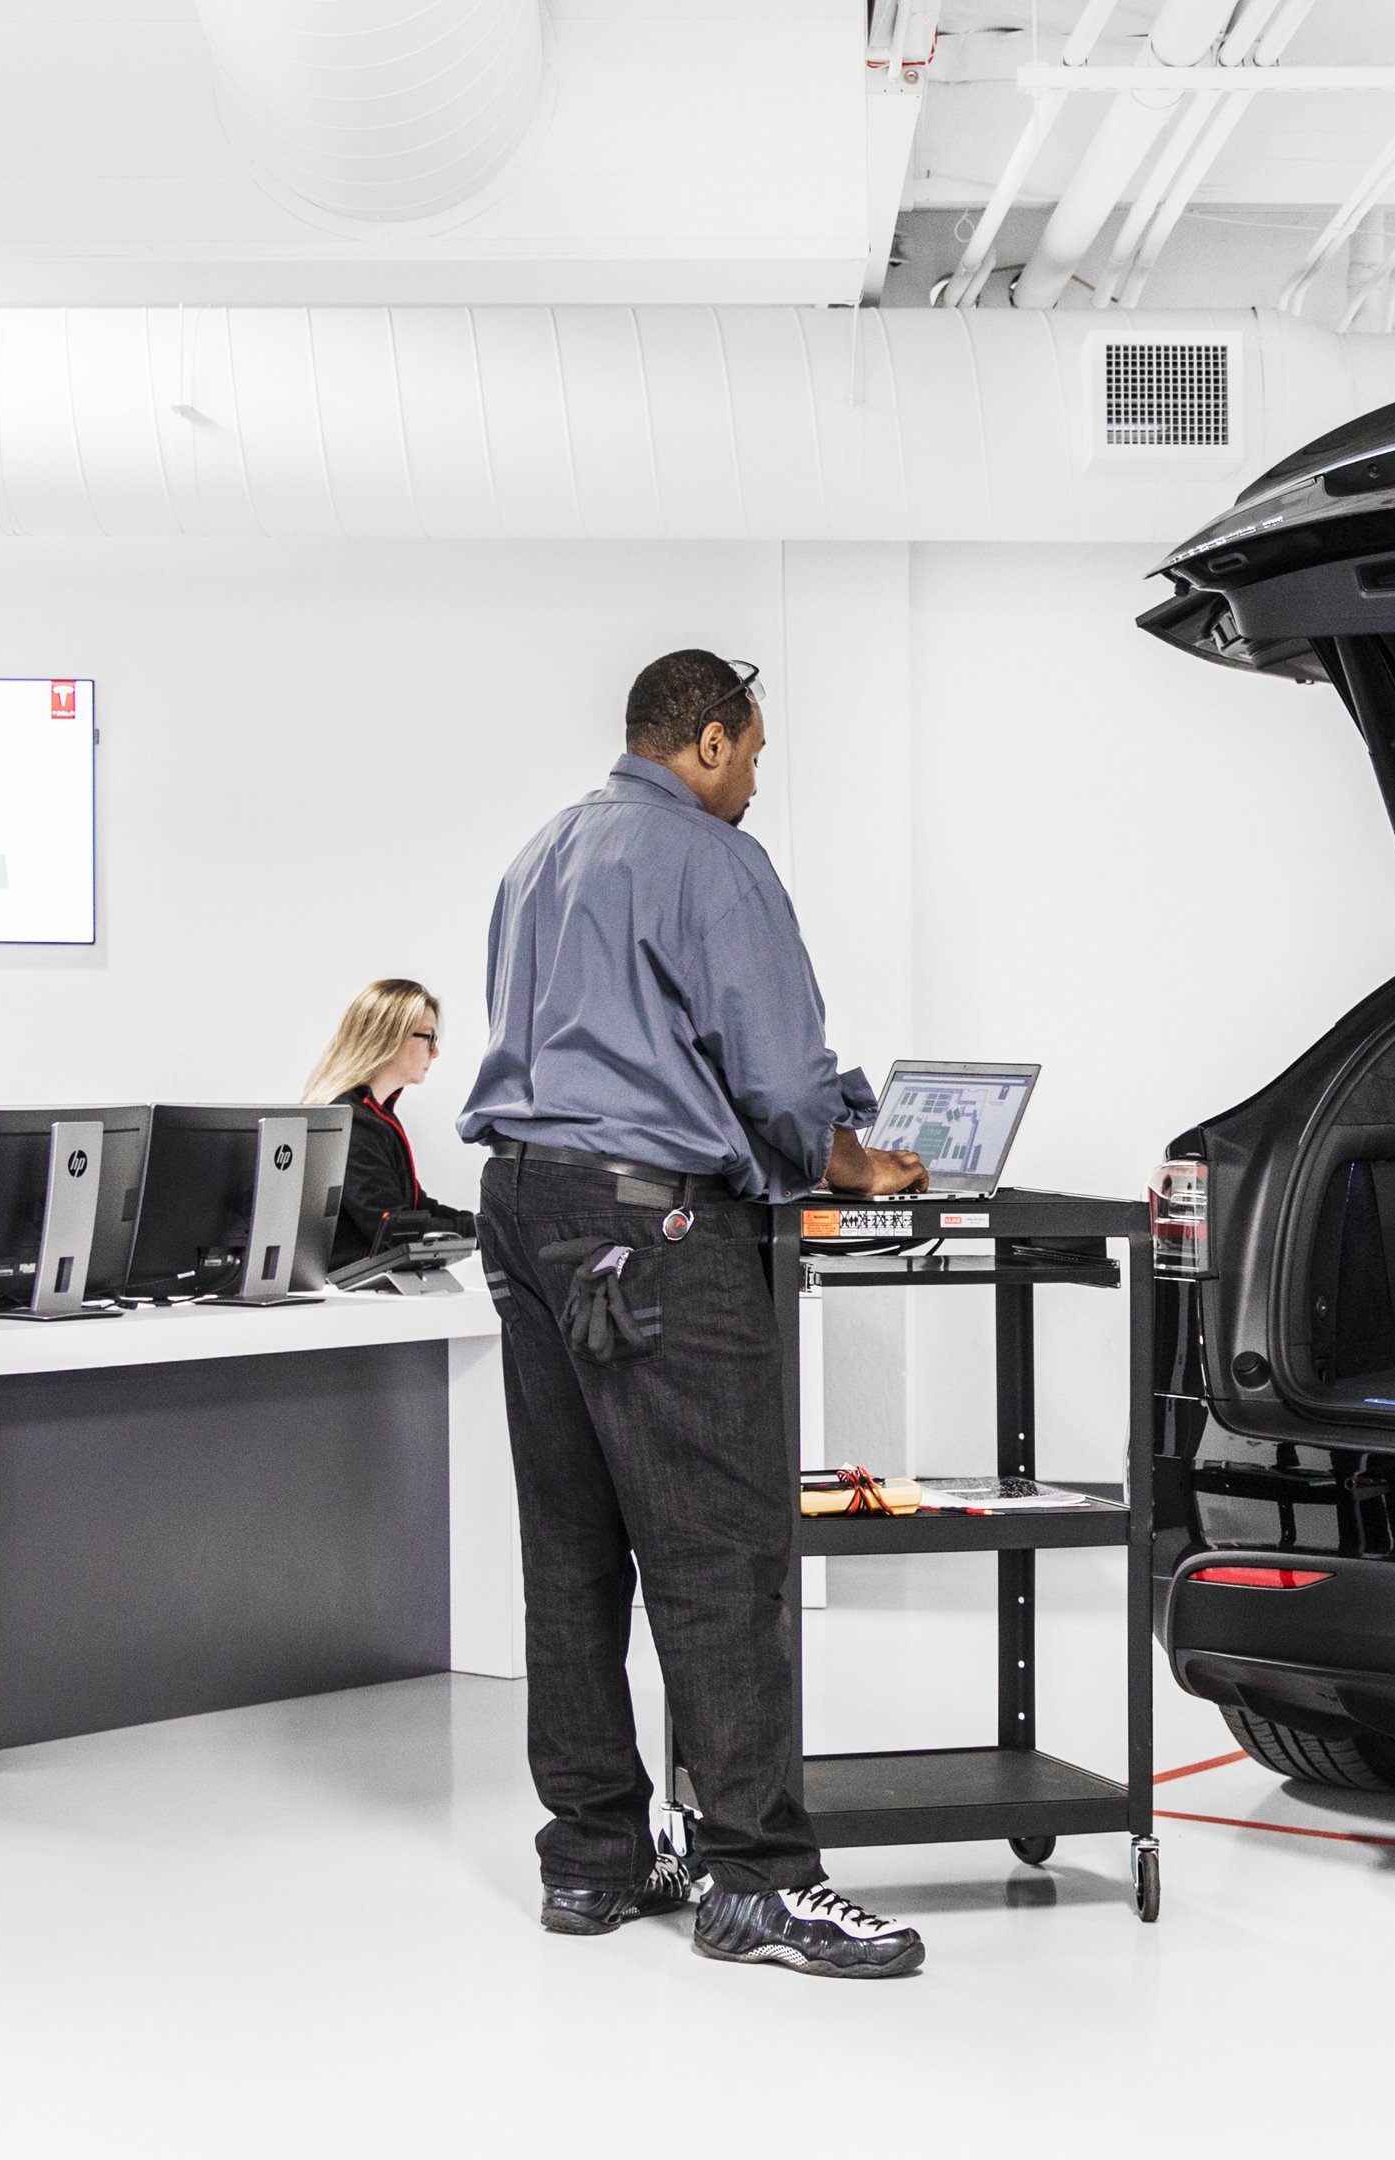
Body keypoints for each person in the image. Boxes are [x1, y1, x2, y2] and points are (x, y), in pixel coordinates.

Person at [462, 648, 931, 1979]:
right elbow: (776, 1072)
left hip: (526, 1208)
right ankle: (758, 1879)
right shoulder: (711, 860)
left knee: (574, 1546)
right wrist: (853, 1159)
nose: (758, 784)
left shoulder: (541, 854)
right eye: (759, 756)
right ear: (711, 742)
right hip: (656, 1225)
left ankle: (596, 1863)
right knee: (722, 1551)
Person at [301, 978, 477, 1267]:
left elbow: (415, 1206)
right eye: (429, 1037)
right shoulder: (351, 1122)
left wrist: (485, 1227)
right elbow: (395, 1228)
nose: (435, 1052)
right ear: (391, 1036)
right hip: (348, 1298)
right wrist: (487, 1231)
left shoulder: (373, 1116)